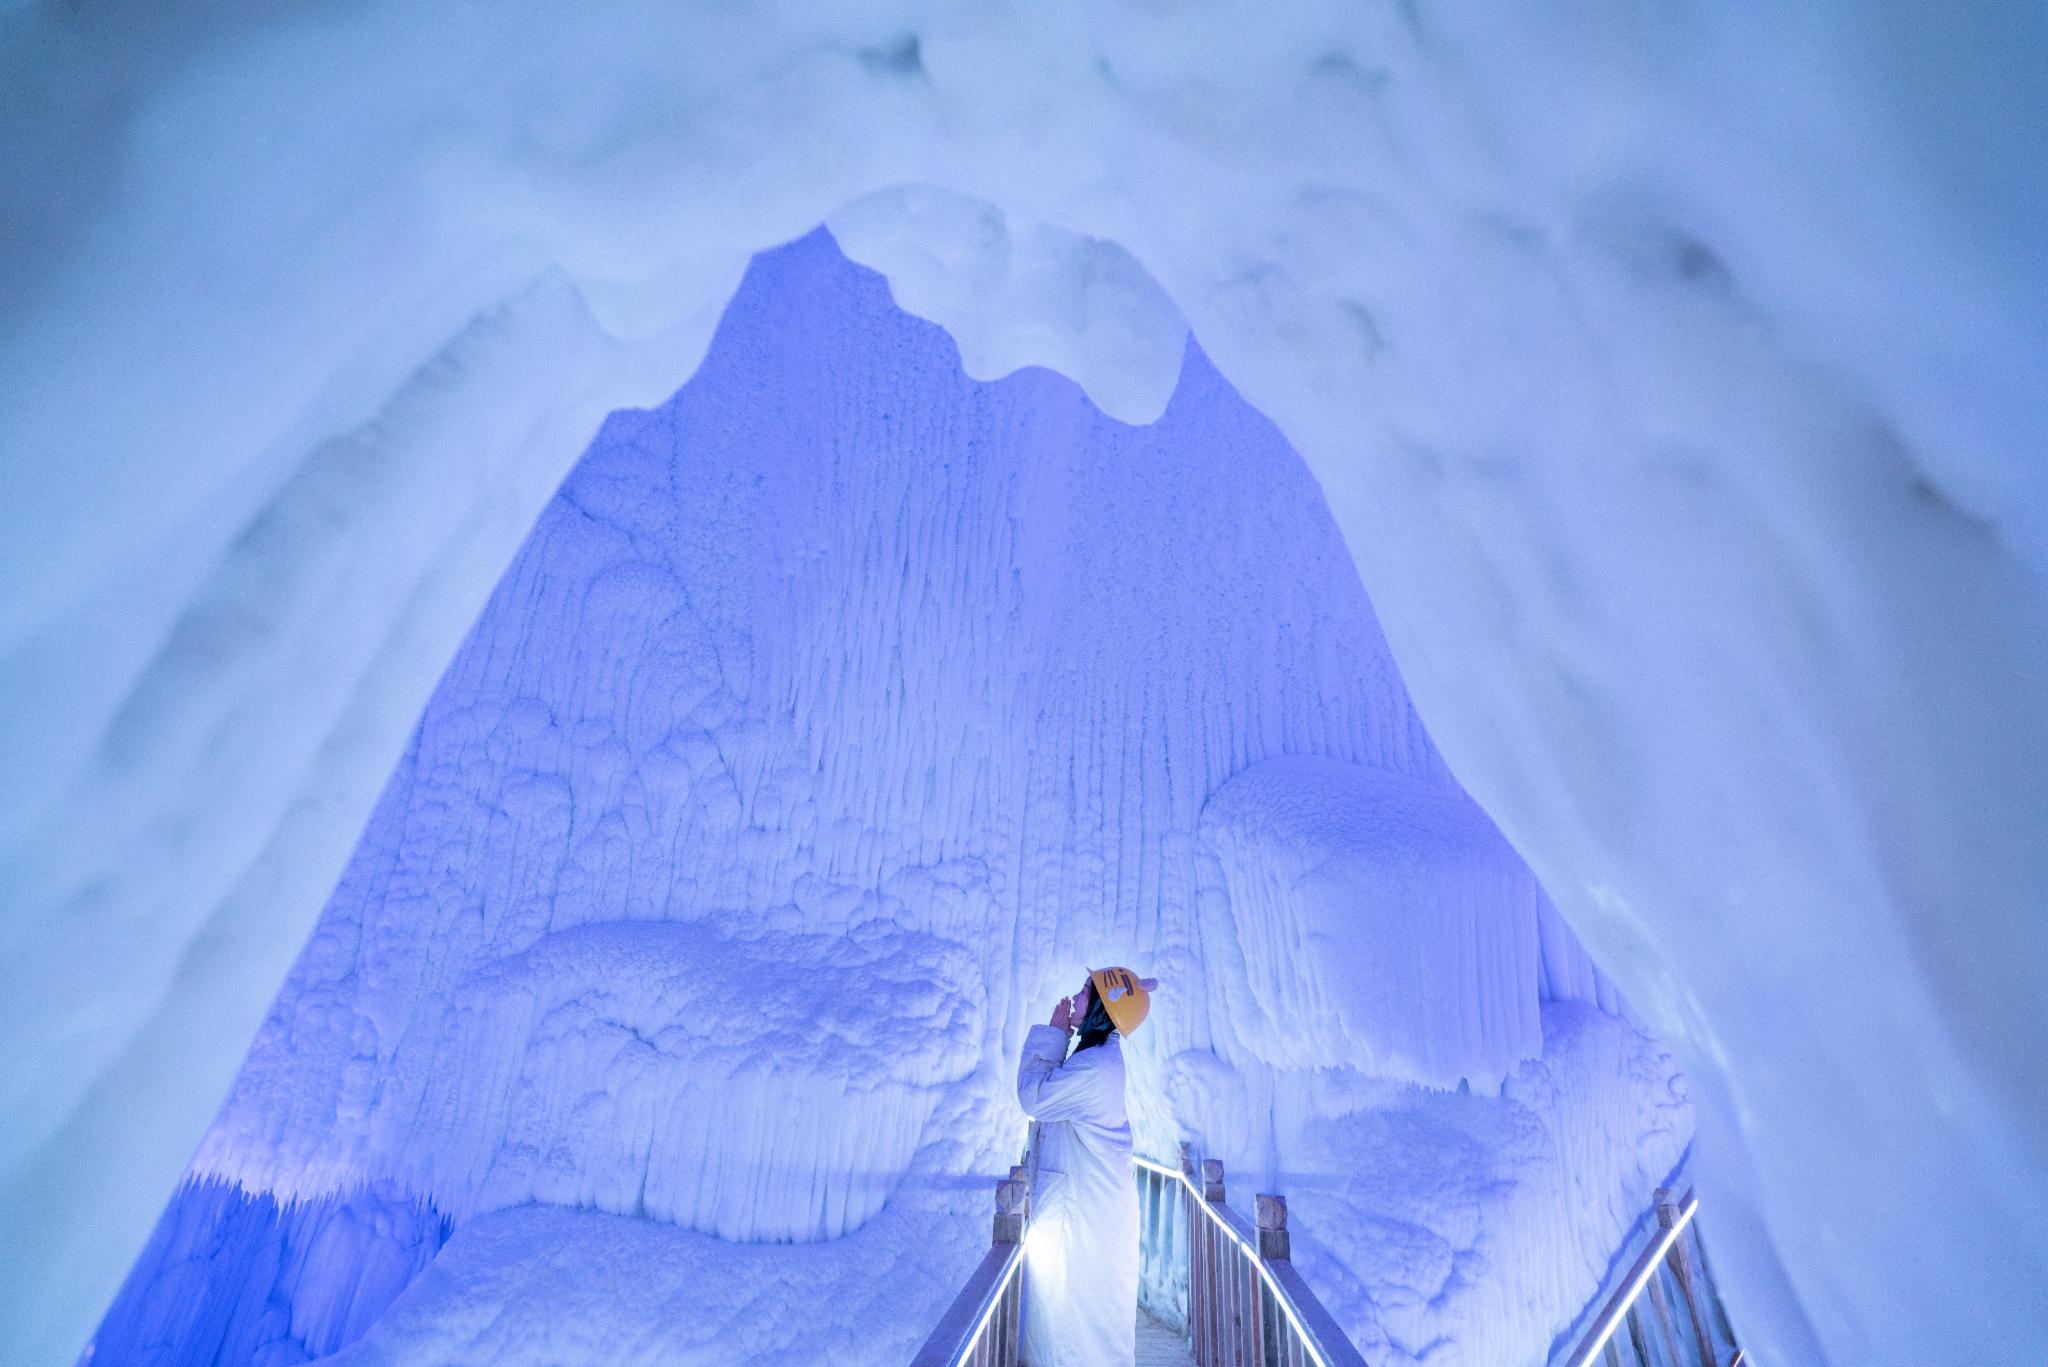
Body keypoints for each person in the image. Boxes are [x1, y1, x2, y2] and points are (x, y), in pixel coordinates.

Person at [1015, 966, 1155, 1367]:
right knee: (1084, 1323)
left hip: (1086, 1216)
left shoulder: (1095, 1068)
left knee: (1080, 1327)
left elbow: (1035, 1097)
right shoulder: (1096, 1060)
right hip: (1089, 1210)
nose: (1075, 998)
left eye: (1085, 992)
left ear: (1101, 1009)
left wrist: (1053, 1036)